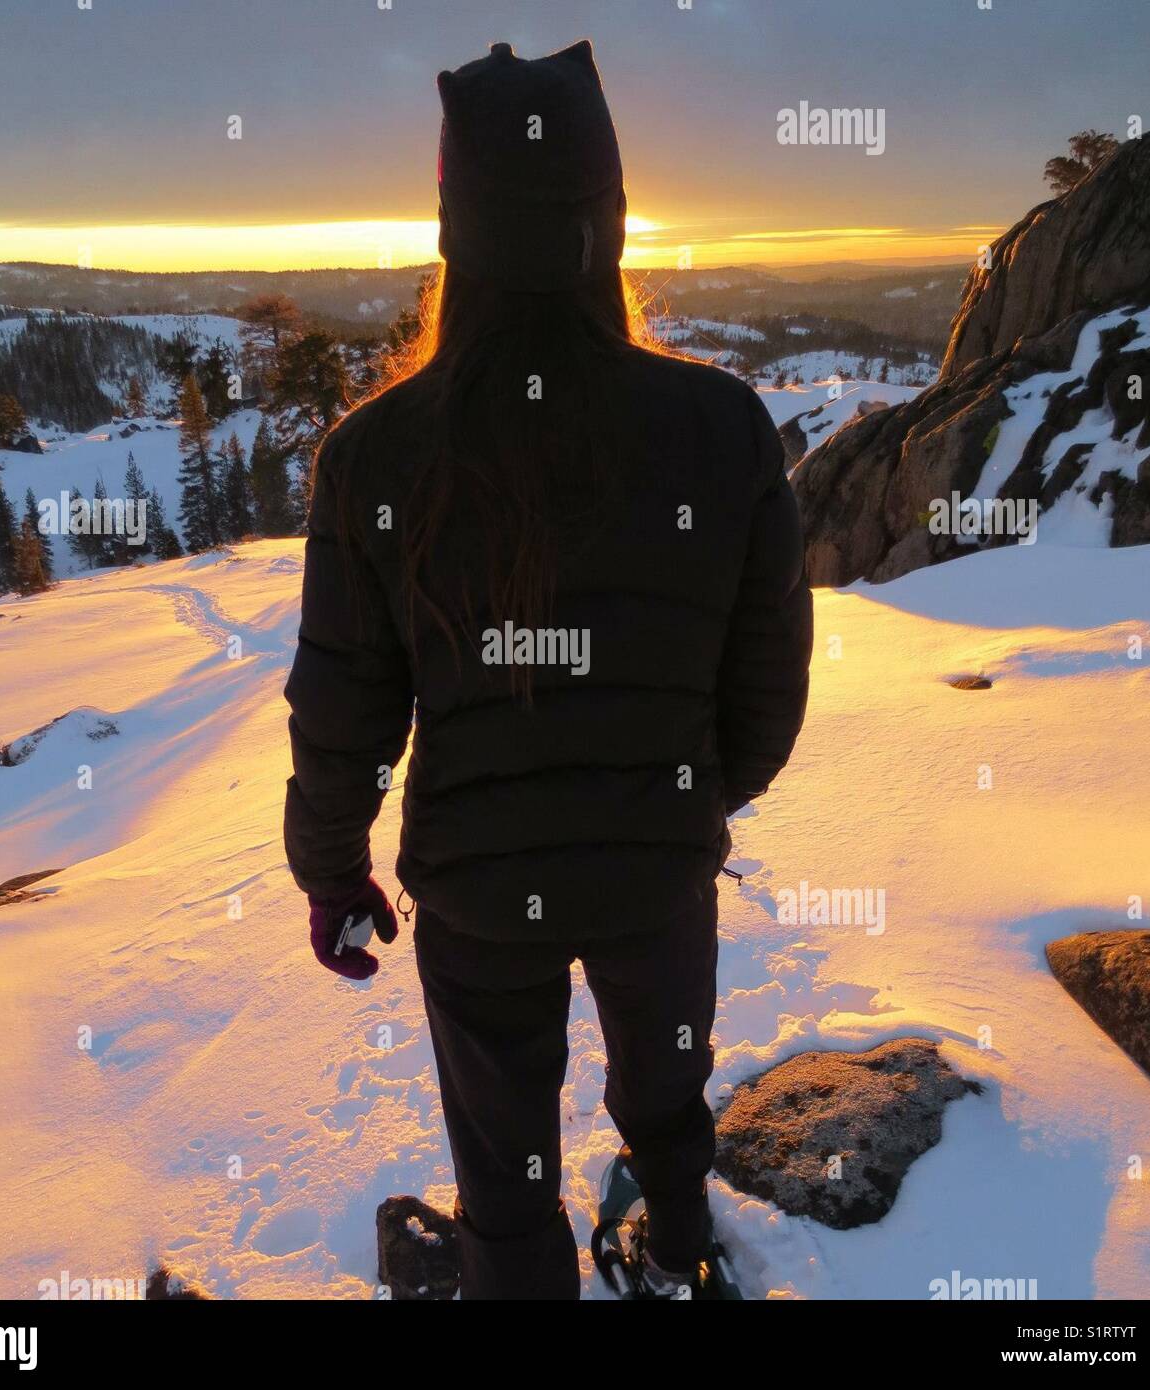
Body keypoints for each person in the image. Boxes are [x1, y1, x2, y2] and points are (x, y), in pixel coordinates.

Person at [284, 39, 812, 1300]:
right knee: (664, 1073)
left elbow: (341, 709)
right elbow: (768, 689)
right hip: (657, 862)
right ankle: (679, 1246)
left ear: (457, 235)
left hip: (476, 881)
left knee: (501, 1125)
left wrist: (330, 872)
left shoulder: (377, 457)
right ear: (609, 221)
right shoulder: (718, 424)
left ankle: (517, 1275)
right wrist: (678, 799)